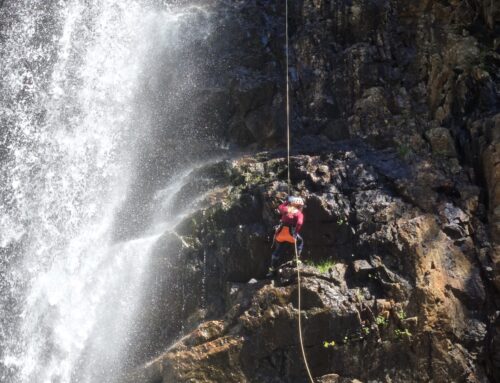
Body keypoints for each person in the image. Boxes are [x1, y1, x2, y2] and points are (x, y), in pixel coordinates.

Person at [267, 195, 305, 278]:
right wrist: (296, 232)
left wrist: (287, 201)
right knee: (300, 241)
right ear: (299, 206)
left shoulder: (285, 209)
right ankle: (297, 259)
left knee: (279, 249)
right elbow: (299, 223)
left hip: (280, 235)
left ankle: (272, 270)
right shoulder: (299, 213)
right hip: (290, 234)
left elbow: (280, 206)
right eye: (301, 206)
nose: (302, 207)